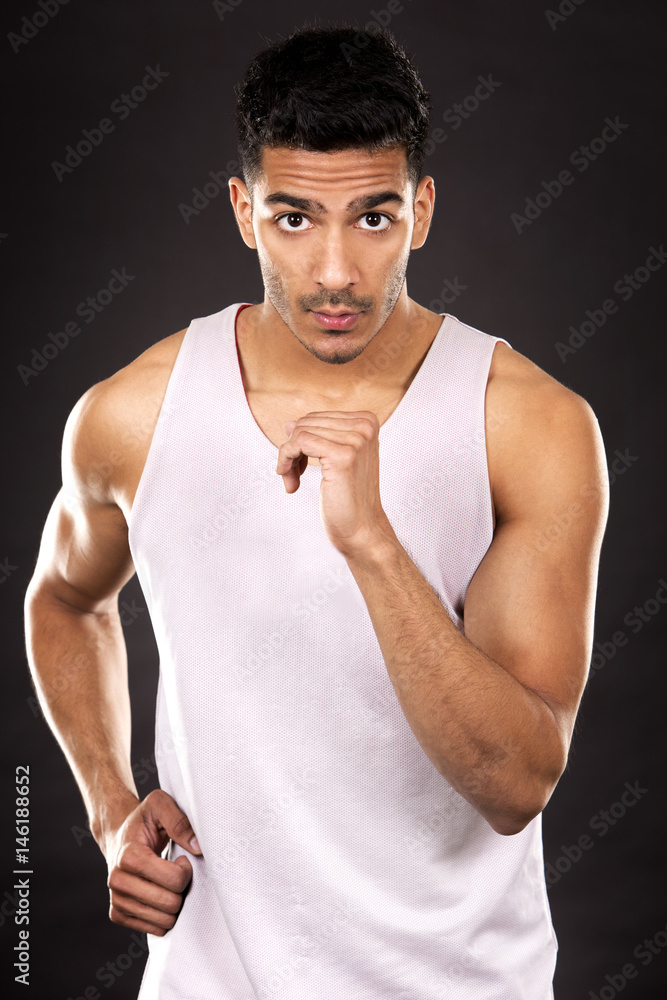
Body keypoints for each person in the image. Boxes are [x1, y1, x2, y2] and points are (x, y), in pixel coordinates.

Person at [24, 23, 608, 999]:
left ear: (421, 211)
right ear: (242, 211)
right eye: (294, 218)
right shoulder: (132, 414)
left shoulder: (529, 425)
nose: (335, 271)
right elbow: (63, 600)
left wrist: (371, 542)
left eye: (372, 217)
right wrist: (110, 808)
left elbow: (517, 783)